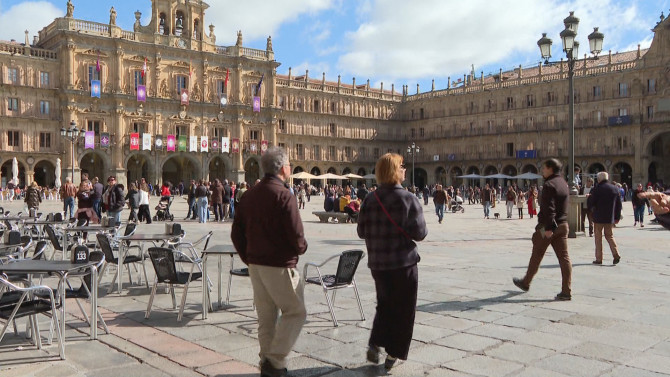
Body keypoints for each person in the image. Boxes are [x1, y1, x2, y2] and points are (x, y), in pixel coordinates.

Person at [231, 147, 308, 377]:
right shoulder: (284, 195)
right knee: (296, 312)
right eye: (289, 165)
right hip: (279, 265)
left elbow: (236, 233)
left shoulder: (249, 195)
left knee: (266, 317)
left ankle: (267, 362)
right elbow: (296, 234)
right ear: (283, 168)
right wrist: (301, 248)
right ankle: (275, 359)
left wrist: (249, 257)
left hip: (256, 266)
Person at [357, 153, 427, 370]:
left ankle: (375, 342)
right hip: (403, 264)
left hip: (378, 265)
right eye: (402, 166)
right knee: (404, 309)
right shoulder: (408, 199)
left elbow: (361, 232)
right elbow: (420, 233)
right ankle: (393, 354)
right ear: (396, 171)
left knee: (384, 305)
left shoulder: (370, 199)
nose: (405, 170)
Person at [513, 158, 572, 301]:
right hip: (563, 225)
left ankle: (526, 282)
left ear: (551, 168)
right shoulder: (563, 183)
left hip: (548, 227)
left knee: (536, 254)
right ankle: (566, 290)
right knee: (564, 259)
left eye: (544, 168)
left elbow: (549, 208)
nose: (542, 171)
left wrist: (549, 228)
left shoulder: (549, 184)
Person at [587, 172, 622, 265]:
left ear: (598, 179)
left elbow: (592, 202)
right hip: (609, 218)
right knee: (609, 236)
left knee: (598, 238)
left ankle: (599, 258)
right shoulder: (614, 188)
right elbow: (619, 204)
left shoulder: (597, 189)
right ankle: (616, 254)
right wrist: (617, 217)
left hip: (598, 217)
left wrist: (589, 199)